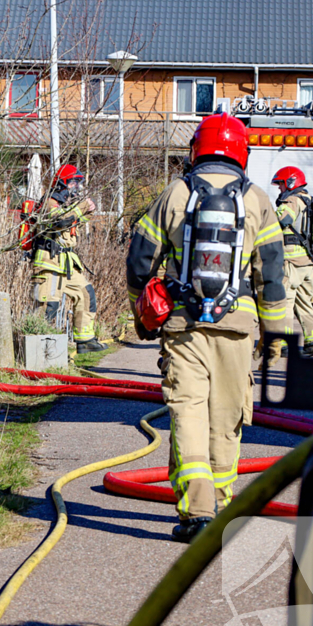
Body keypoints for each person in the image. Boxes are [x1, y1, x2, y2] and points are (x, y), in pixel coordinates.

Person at [126, 113, 287, 543]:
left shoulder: (175, 194)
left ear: (197, 148)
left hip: (183, 326)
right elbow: (271, 275)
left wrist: (141, 313)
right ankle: (221, 505)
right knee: (226, 419)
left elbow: (140, 259)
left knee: (187, 412)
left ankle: (196, 514)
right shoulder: (258, 201)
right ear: (241, 151)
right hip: (238, 331)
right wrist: (275, 339)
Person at [29, 164, 108, 353]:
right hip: (49, 262)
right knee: (48, 306)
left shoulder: (67, 205)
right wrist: (82, 207)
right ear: (62, 184)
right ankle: (38, 351)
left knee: (86, 293)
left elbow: (72, 223)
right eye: (73, 182)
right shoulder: (49, 202)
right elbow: (60, 221)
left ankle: (85, 340)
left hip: (66, 263)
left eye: (78, 183)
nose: (76, 187)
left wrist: (87, 212)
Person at [272, 167, 313, 357]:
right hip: (308, 263)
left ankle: (284, 345)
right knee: (305, 304)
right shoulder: (309, 200)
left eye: (281, 184)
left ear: (291, 182)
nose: (280, 189)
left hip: (291, 262)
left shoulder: (292, 200)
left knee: (285, 302)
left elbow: (281, 220)